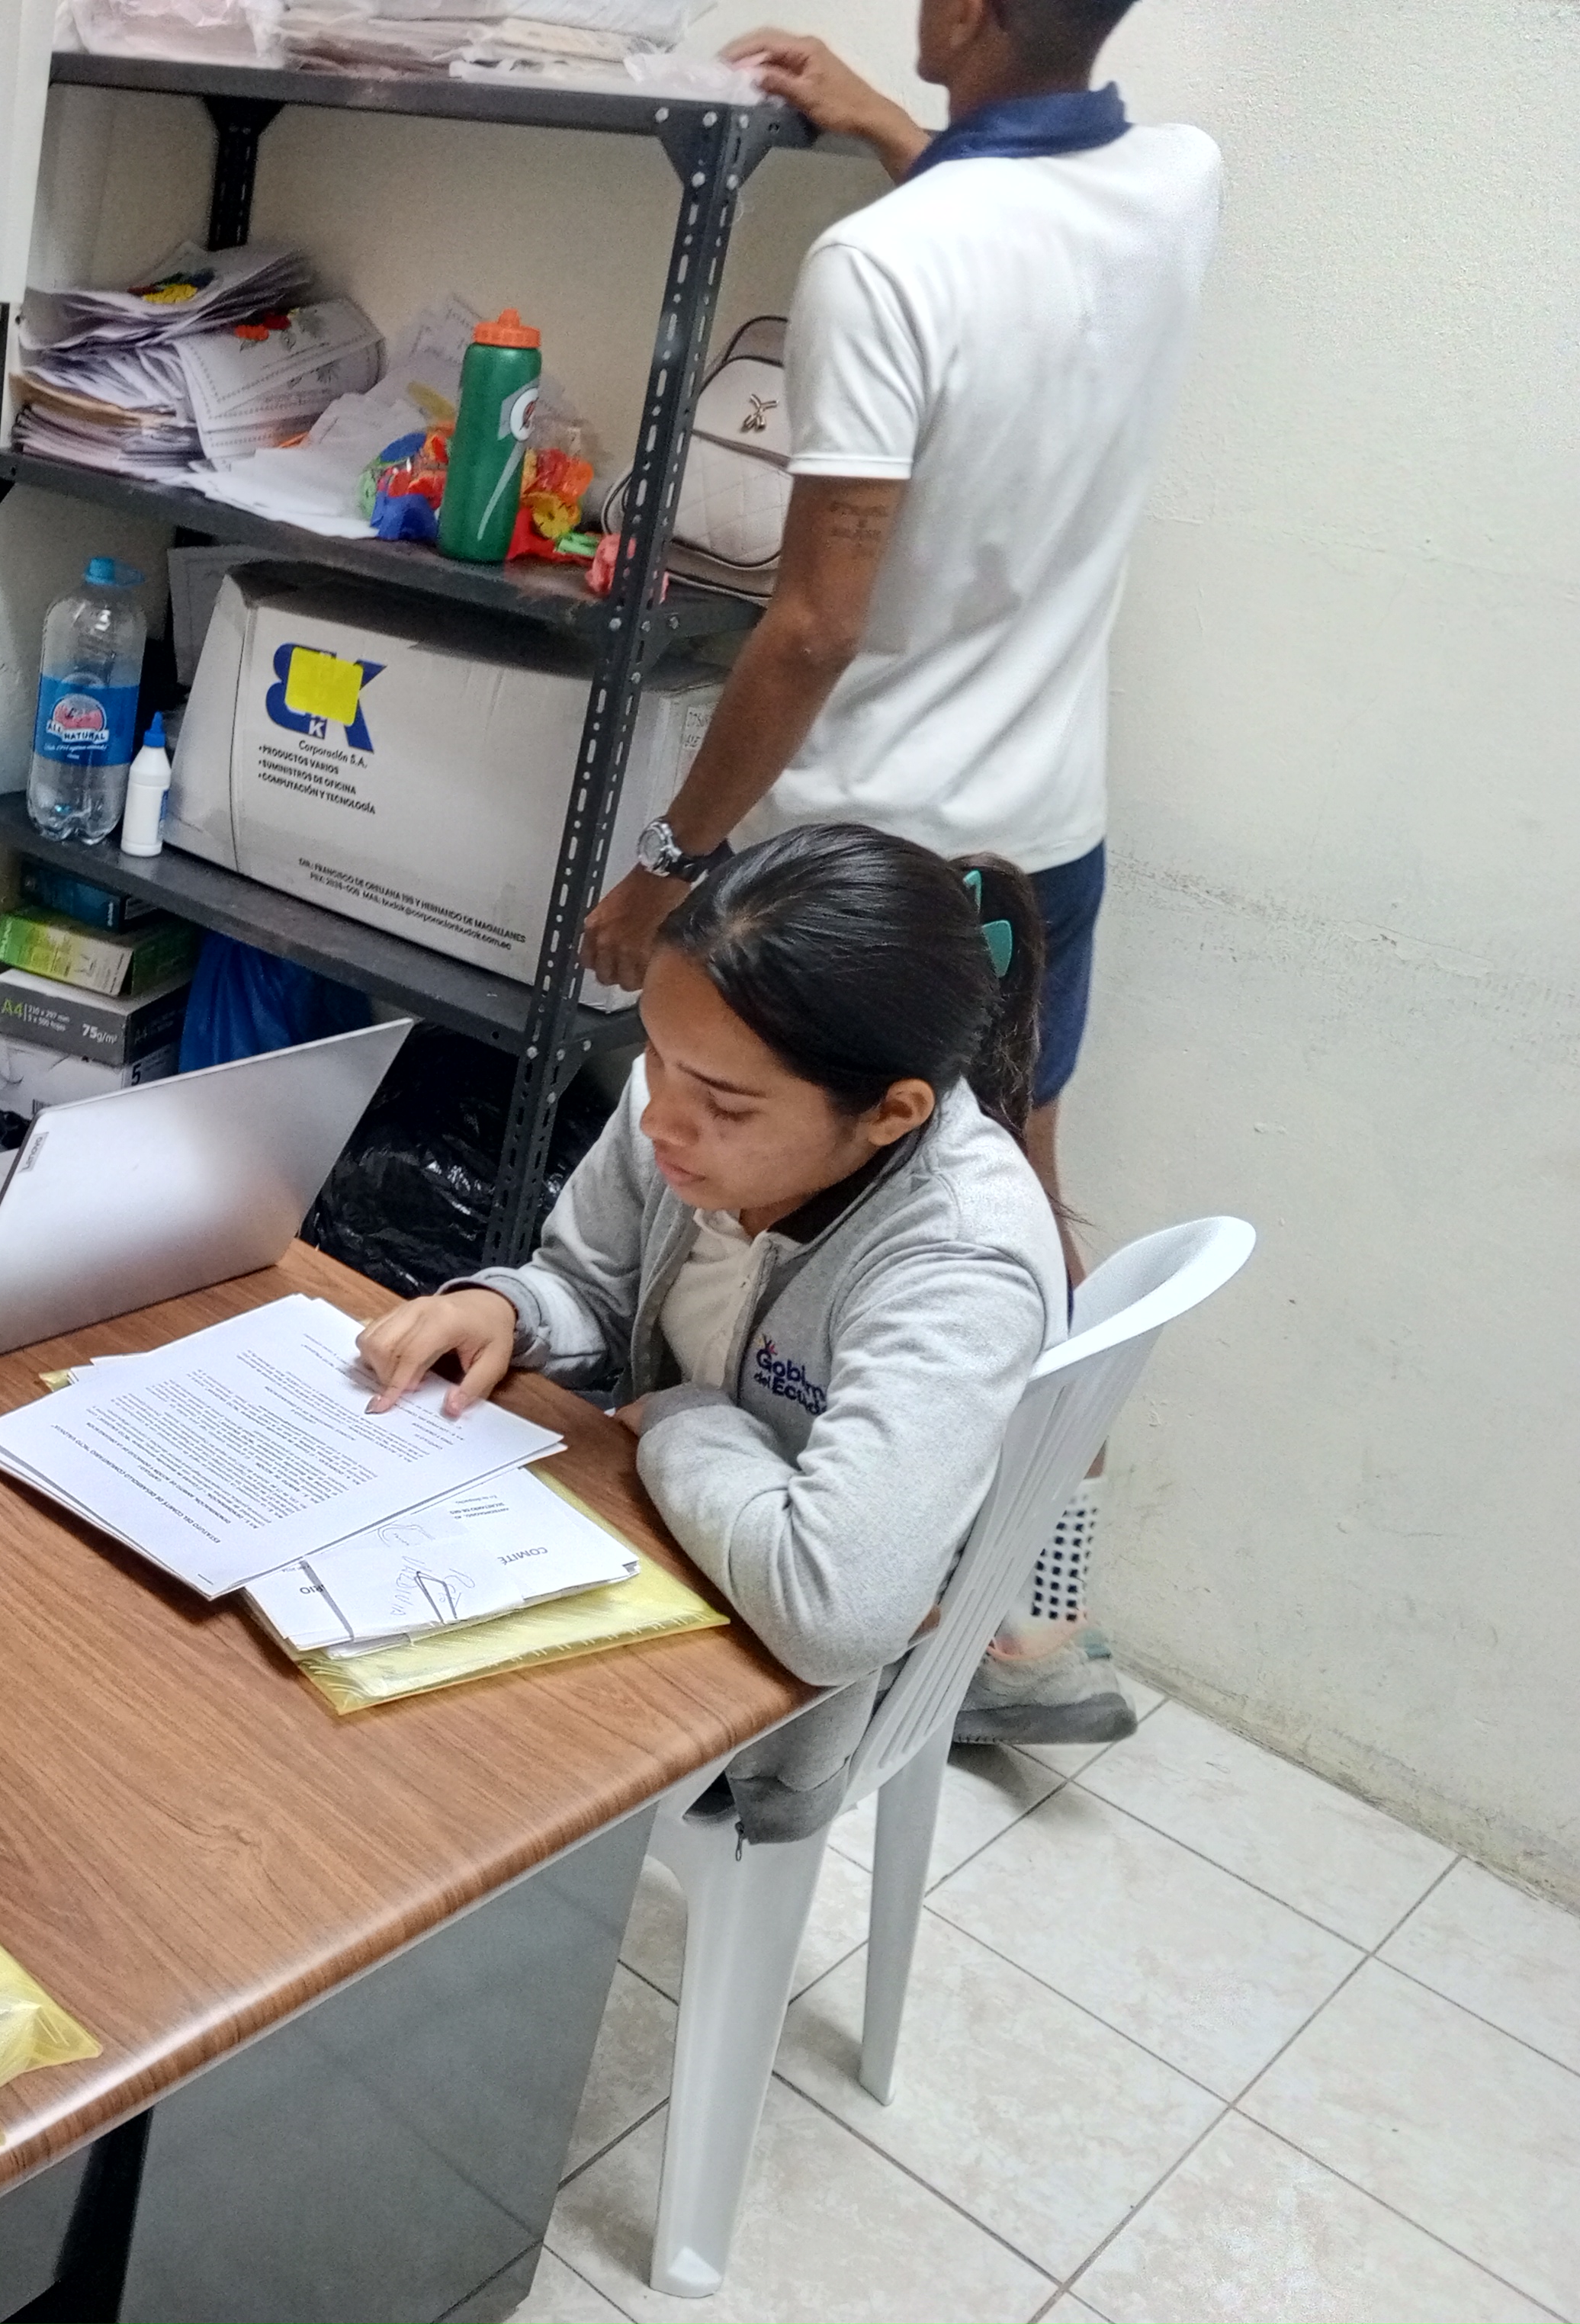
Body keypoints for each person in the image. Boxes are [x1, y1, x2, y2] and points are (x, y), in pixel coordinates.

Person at [576, 0, 1219, 1741]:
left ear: (967, 9)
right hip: (1041, 836)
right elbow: (1027, 235)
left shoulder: (881, 264)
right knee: (1013, 1220)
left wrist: (668, 862)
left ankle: (811, 1588)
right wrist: (887, 122)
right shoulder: (1176, 181)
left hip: (864, 847)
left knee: (742, 1192)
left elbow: (809, 621)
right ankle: (1027, 1621)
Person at [364, 826, 1068, 1834]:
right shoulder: (691, 1090)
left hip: (759, 1703)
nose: (659, 1119)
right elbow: (591, 1284)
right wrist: (506, 1310)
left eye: (724, 1106)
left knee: (397, 1782)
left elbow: (836, 1610)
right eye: (654, 1054)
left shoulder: (957, 1264)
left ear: (891, 1113)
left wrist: (678, 1418)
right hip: (656, 1549)